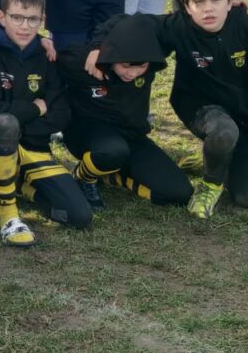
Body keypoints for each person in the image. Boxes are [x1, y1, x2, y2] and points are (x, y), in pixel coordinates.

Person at [137, 0, 248, 219]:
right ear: (186, 6)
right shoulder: (179, 25)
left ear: (230, 1)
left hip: (244, 116)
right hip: (200, 107)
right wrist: (99, 44)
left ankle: (213, 156)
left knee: (246, 198)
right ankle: (210, 184)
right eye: (199, 2)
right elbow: (133, 26)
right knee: (223, 131)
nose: (208, 8)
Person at [0, 0, 90, 247]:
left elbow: (61, 114)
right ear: (1, 16)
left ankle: (20, 183)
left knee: (78, 216)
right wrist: (35, 108)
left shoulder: (47, 54)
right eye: (17, 17)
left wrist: (24, 125)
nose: (24, 26)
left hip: (33, 147)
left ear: (42, 19)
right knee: (4, 125)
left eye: (32, 19)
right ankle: (7, 213)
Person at [58, 14, 191, 208]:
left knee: (179, 193)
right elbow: (39, 61)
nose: (132, 73)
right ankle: (83, 177)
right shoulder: (84, 60)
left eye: (141, 67)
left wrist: (227, 11)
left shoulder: (151, 56)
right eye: (126, 65)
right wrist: (44, 43)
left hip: (131, 135)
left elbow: (156, 21)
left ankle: (111, 177)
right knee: (112, 151)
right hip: (88, 133)